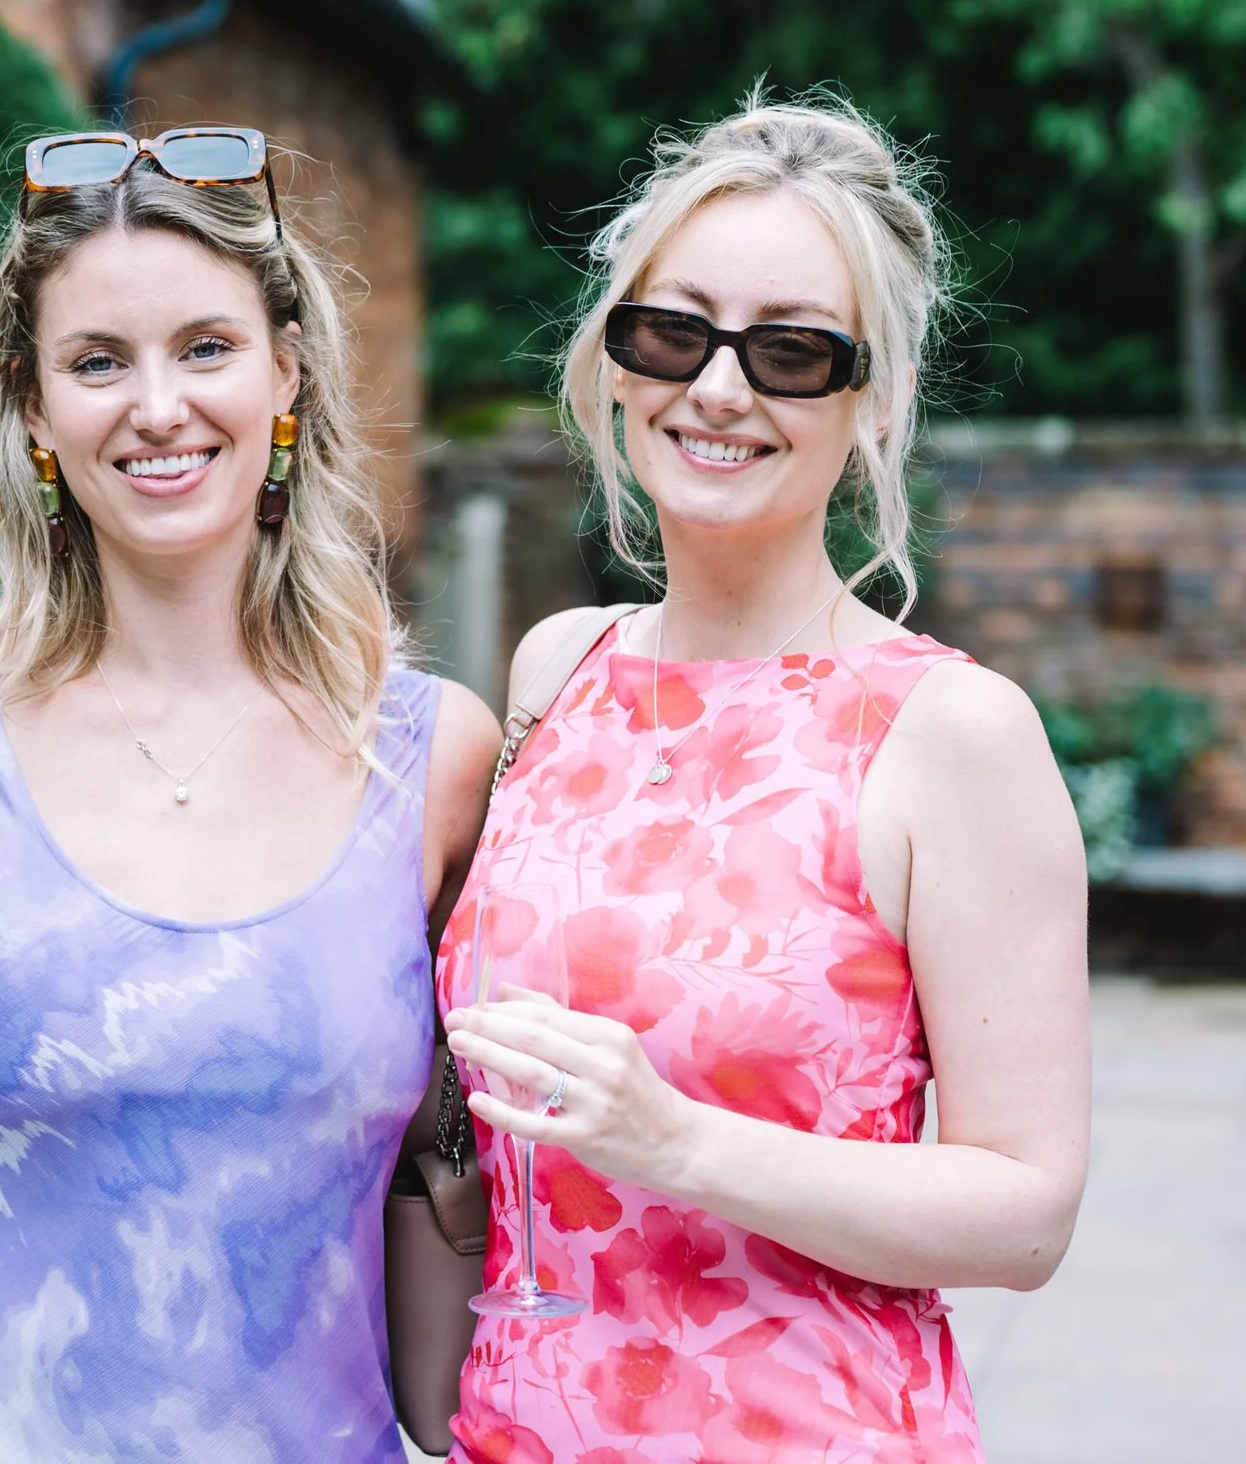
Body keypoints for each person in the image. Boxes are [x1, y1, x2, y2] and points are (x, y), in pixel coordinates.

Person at [0, 126, 504, 1463]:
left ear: (287, 371)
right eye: (98, 361)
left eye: (205, 347)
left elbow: (488, 1164)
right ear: (32, 406)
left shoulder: (434, 761)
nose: (157, 405)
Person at [439, 98, 1089, 1462]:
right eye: (672, 333)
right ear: (615, 360)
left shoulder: (951, 731)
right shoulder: (561, 665)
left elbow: (1026, 1212)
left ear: (873, 398)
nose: (719, 390)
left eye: (791, 351)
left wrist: (679, 1142)